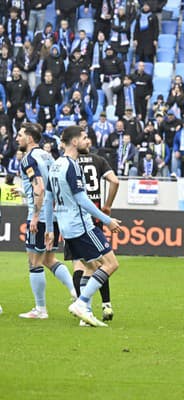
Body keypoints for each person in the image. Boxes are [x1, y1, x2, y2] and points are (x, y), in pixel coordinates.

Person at [44, 126, 122, 327]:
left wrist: (50, 230)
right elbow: (82, 200)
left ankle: (85, 314)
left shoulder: (55, 165)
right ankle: (82, 303)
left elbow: (48, 199)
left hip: (66, 227)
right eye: (85, 138)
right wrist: (107, 220)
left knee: (89, 266)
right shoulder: (71, 165)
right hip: (82, 225)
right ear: (75, 141)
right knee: (111, 264)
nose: (88, 141)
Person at [17, 122, 77, 319]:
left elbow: (39, 187)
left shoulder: (28, 159)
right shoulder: (47, 155)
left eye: (20, 135)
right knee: (49, 259)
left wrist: (35, 216)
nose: (17, 138)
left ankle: (40, 309)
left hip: (41, 216)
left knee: (34, 262)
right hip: (55, 214)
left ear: (30, 138)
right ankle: (75, 292)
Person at [67, 132, 120, 323]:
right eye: (84, 138)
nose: (86, 141)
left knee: (82, 265)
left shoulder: (68, 164)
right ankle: (100, 304)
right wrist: (107, 206)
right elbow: (114, 181)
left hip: (72, 219)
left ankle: (84, 310)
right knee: (103, 263)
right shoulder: (98, 161)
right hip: (92, 218)